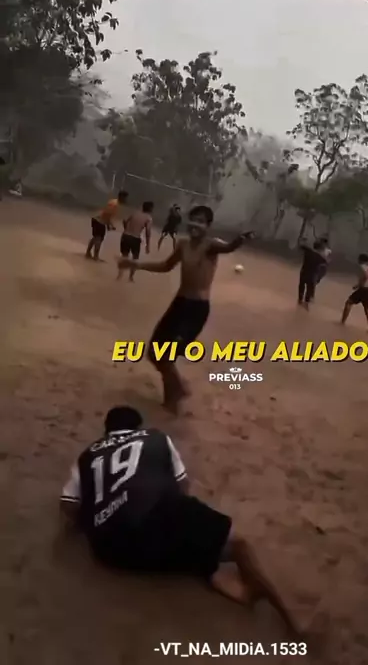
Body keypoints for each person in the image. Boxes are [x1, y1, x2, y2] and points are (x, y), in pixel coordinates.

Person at [60, 406, 300, 635]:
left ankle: (215, 575)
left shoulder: (86, 456)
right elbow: (182, 485)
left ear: (107, 431)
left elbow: (68, 505)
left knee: (169, 538)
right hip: (151, 524)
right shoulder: (155, 437)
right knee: (237, 544)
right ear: (137, 427)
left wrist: (100, 515)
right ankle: (291, 619)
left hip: (110, 552)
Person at [118, 205, 254, 412]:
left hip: (195, 310)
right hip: (179, 305)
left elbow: (228, 247)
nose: (195, 224)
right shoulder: (183, 245)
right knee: (154, 353)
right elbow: (165, 266)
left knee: (166, 356)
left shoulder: (211, 245)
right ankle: (176, 392)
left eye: (200, 221)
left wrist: (240, 239)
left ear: (208, 226)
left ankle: (174, 397)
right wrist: (136, 264)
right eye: (193, 219)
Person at [86, 191, 129, 261]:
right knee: (99, 239)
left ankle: (88, 253)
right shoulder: (114, 204)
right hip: (99, 221)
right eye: (126, 198)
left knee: (96, 237)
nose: (126, 200)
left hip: (97, 219)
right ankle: (95, 257)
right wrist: (109, 225)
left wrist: (110, 225)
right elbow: (106, 215)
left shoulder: (114, 202)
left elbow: (107, 215)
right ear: (122, 197)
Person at [117, 201, 154, 282]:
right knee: (135, 259)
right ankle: (131, 278)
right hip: (135, 238)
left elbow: (124, 220)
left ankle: (119, 276)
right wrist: (147, 245)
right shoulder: (148, 218)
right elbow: (148, 232)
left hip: (125, 236)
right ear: (151, 209)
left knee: (124, 256)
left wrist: (126, 229)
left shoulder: (135, 213)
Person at [341, 253, 368, 334]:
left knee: (348, 302)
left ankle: (342, 322)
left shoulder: (361, 267)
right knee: (367, 309)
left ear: (360, 260)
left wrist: (358, 285)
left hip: (363, 289)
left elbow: (366, 276)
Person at [297, 239, 327, 309]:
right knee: (309, 289)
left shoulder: (308, 251)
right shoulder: (320, 257)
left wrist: (303, 239)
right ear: (320, 249)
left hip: (304, 273)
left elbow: (301, 245)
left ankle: (299, 300)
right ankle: (306, 304)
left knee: (301, 286)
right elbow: (325, 263)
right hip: (312, 276)